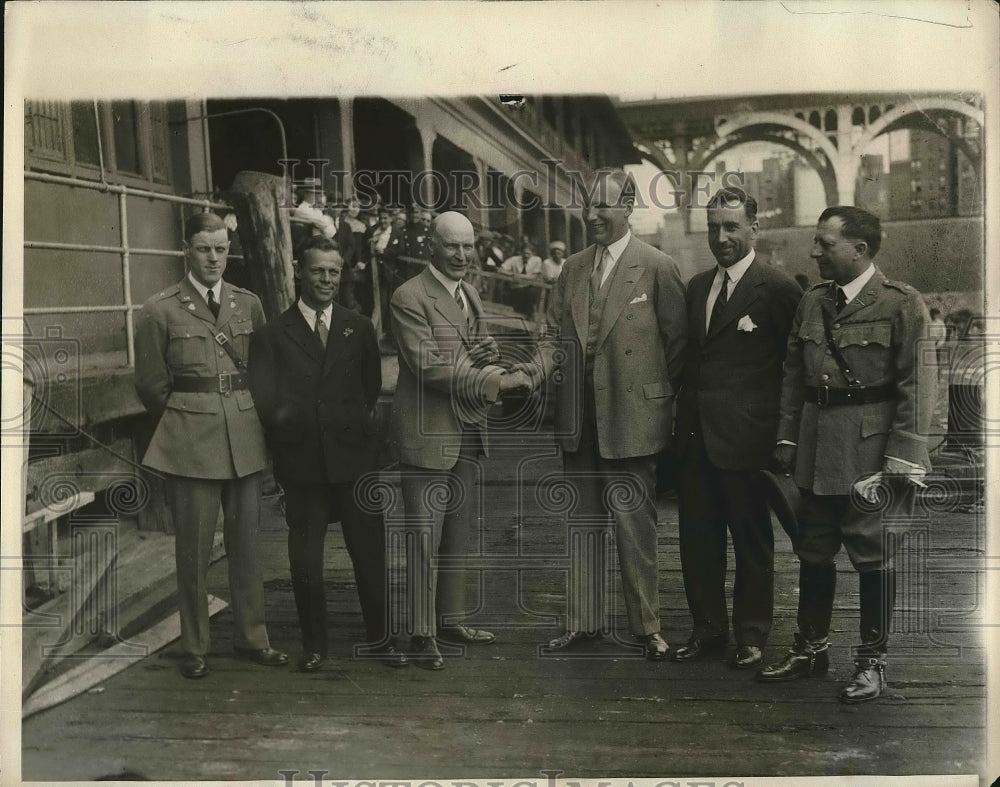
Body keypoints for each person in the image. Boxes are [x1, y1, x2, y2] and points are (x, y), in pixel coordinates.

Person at [758, 205, 934, 703]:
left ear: (859, 249)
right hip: (816, 450)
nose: (814, 252)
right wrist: (788, 438)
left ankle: (872, 662)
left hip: (870, 455)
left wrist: (901, 459)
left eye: (824, 244)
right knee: (813, 550)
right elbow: (794, 375)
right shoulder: (813, 301)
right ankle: (810, 649)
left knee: (873, 556)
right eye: (815, 243)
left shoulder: (902, 303)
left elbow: (917, 386)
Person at [522, 169, 687, 660]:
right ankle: (583, 623)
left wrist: (652, 400)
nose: (591, 215)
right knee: (582, 524)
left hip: (632, 419)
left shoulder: (657, 266)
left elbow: (678, 347)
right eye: (587, 206)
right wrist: (533, 371)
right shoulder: (572, 268)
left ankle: (647, 628)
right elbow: (553, 335)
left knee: (635, 528)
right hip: (580, 419)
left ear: (629, 204)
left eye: (603, 206)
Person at [134, 212, 288, 679]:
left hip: (244, 437)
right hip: (191, 442)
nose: (214, 258)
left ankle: (252, 638)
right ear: (188, 249)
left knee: (247, 547)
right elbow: (151, 385)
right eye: (204, 249)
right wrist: (186, 423)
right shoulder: (159, 310)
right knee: (194, 552)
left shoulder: (249, 305)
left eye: (221, 249)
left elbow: (263, 373)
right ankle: (195, 646)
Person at [248, 236, 408, 673]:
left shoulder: (358, 327)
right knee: (306, 559)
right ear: (299, 271)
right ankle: (314, 644)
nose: (326, 279)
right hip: (303, 467)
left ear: (342, 274)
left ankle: (381, 640)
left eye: (334, 271)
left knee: (370, 553)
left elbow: (370, 386)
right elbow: (265, 402)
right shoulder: (271, 334)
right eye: (317, 270)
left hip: (354, 462)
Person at [389, 211, 533, 669]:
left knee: (457, 534)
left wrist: (486, 351)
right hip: (429, 432)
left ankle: (449, 618)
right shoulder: (409, 296)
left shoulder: (468, 292)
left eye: (468, 246)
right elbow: (430, 367)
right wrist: (497, 380)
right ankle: (421, 633)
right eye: (452, 245)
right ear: (431, 245)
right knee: (423, 537)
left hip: (468, 429)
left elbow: (476, 345)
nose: (462, 255)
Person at [671, 187, 801, 669]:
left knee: (751, 542)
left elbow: (796, 367)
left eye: (731, 227)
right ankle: (707, 629)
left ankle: (751, 634)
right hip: (695, 440)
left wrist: (785, 435)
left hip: (748, 442)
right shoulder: (697, 286)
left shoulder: (779, 288)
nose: (720, 237)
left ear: (754, 229)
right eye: (713, 227)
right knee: (697, 541)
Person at [500, 239, 543, 317]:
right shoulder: (514, 259)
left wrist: (519, 276)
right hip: (516, 286)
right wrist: (512, 274)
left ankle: (529, 315)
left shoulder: (537, 260)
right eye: (524, 253)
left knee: (532, 293)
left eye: (528, 253)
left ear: (533, 253)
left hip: (529, 286)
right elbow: (501, 270)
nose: (526, 255)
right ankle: (521, 316)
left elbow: (534, 277)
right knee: (518, 296)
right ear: (521, 252)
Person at [927, 307, 948, 379]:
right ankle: (930, 377)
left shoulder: (940, 323)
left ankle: (938, 377)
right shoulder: (927, 322)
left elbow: (943, 334)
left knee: (937, 361)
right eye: (934, 314)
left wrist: (939, 344)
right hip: (928, 344)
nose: (935, 316)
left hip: (937, 344)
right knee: (929, 362)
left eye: (936, 314)